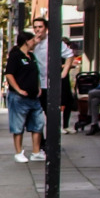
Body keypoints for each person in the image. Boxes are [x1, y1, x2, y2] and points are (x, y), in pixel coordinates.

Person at [31, 17, 72, 148]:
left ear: (46, 28)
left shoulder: (54, 42)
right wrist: (33, 43)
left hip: (51, 84)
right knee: (37, 115)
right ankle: (41, 143)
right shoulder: (32, 43)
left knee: (52, 115)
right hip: (37, 85)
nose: (38, 30)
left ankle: (52, 142)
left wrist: (64, 72)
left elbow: (69, 55)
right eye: (35, 27)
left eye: (40, 27)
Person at [5, 29, 44, 163]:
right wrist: (18, 89)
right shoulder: (16, 56)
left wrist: (38, 87)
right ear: (26, 42)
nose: (34, 42)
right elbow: (9, 74)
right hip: (19, 98)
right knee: (18, 125)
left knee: (38, 123)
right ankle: (18, 152)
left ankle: (36, 151)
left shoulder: (31, 57)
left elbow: (35, 74)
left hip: (33, 97)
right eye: (32, 40)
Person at [60, 40, 80, 133]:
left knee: (68, 101)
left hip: (65, 78)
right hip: (59, 79)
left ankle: (66, 125)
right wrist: (67, 66)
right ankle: (59, 126)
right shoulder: (56, 53)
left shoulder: (66, 55)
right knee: (59, 102)